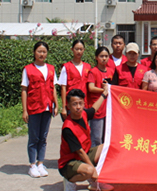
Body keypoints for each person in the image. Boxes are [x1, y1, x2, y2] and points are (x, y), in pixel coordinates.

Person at [59, 88, 114, 191]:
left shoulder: (83, 114)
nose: (78, 107)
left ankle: (93, 180)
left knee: (107, 147)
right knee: (89, 170)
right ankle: (70, 180)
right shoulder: (68, 128)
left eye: (80, 103)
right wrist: (93, 171)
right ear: (68, 106)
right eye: (74, 104)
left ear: (84, 104)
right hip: (69, 163)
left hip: (84, 154)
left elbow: (94, 109)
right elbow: (80, 152)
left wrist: (104, 94)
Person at [21, 41, 59, 178]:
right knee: (34, 137)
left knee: (43, 137)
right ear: (34, 53)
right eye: (39, 51)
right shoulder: (28, 69)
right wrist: (25, 110)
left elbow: (53, 88)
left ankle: (40, 163)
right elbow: (24, 90)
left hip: (47, 107)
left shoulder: (51, 68)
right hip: (34, 107)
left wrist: (56, 105)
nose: (42, 54)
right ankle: (32, 164)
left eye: (44, 52)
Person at [86, 46, 113, 147]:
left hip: (108, 109)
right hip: (97, 109)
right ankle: (94, 155)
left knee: (107, 137)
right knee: (96, 137)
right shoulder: (93, 71)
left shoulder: (111, 71)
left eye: (106, 56)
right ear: (96, 57)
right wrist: (104, 90)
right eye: (101, 56)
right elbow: (91, 88)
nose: (104, 58)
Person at [58, 40, 91, 118]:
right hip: (71, 105)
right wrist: (63, 107)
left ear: (84, 50)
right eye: (76, 49)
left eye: (81, 49)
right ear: (72, 49)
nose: (79, 51)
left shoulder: (88, 67)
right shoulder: (66, 67)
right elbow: (63, 88)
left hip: (84, 104)